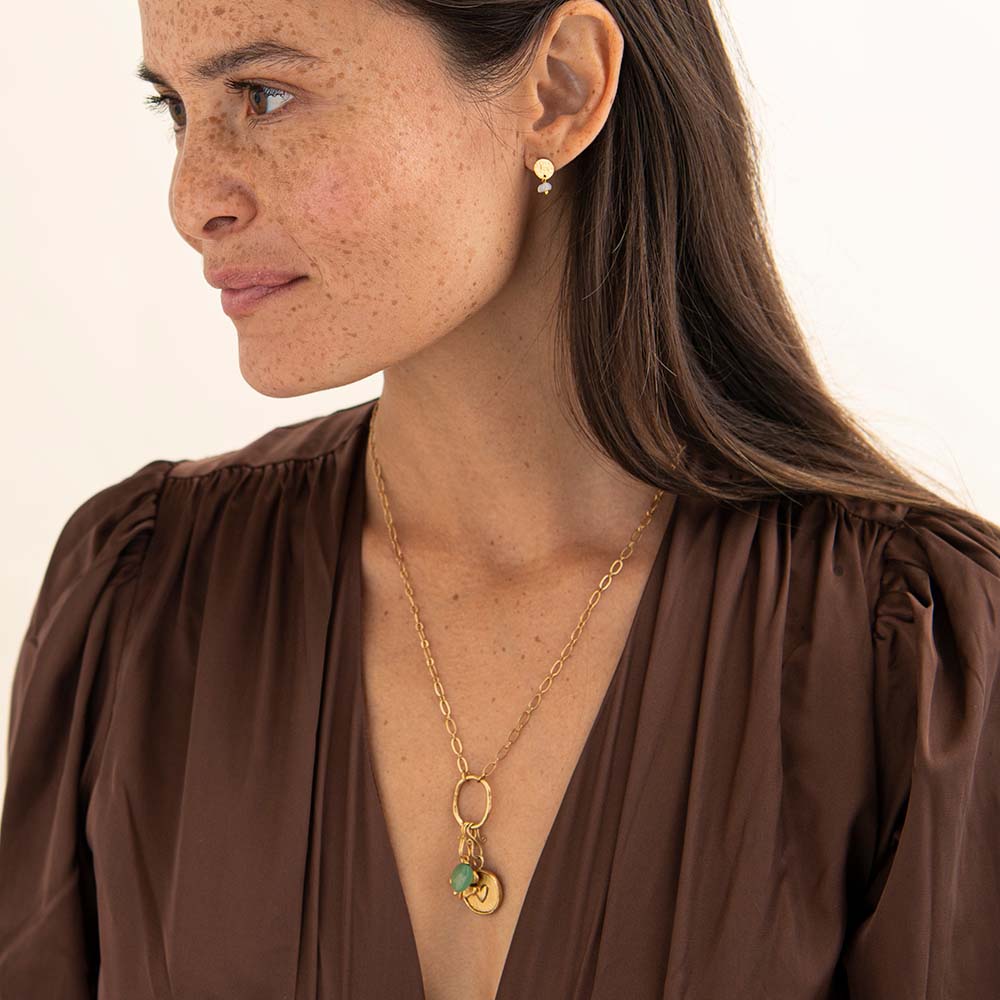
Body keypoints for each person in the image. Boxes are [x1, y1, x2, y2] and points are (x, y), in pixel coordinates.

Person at [2, 1, 998, 997]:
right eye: (175, 110)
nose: (192, 201)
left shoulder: (909, 659)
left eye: (264, 96)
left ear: (561, 87)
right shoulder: (140, 603)